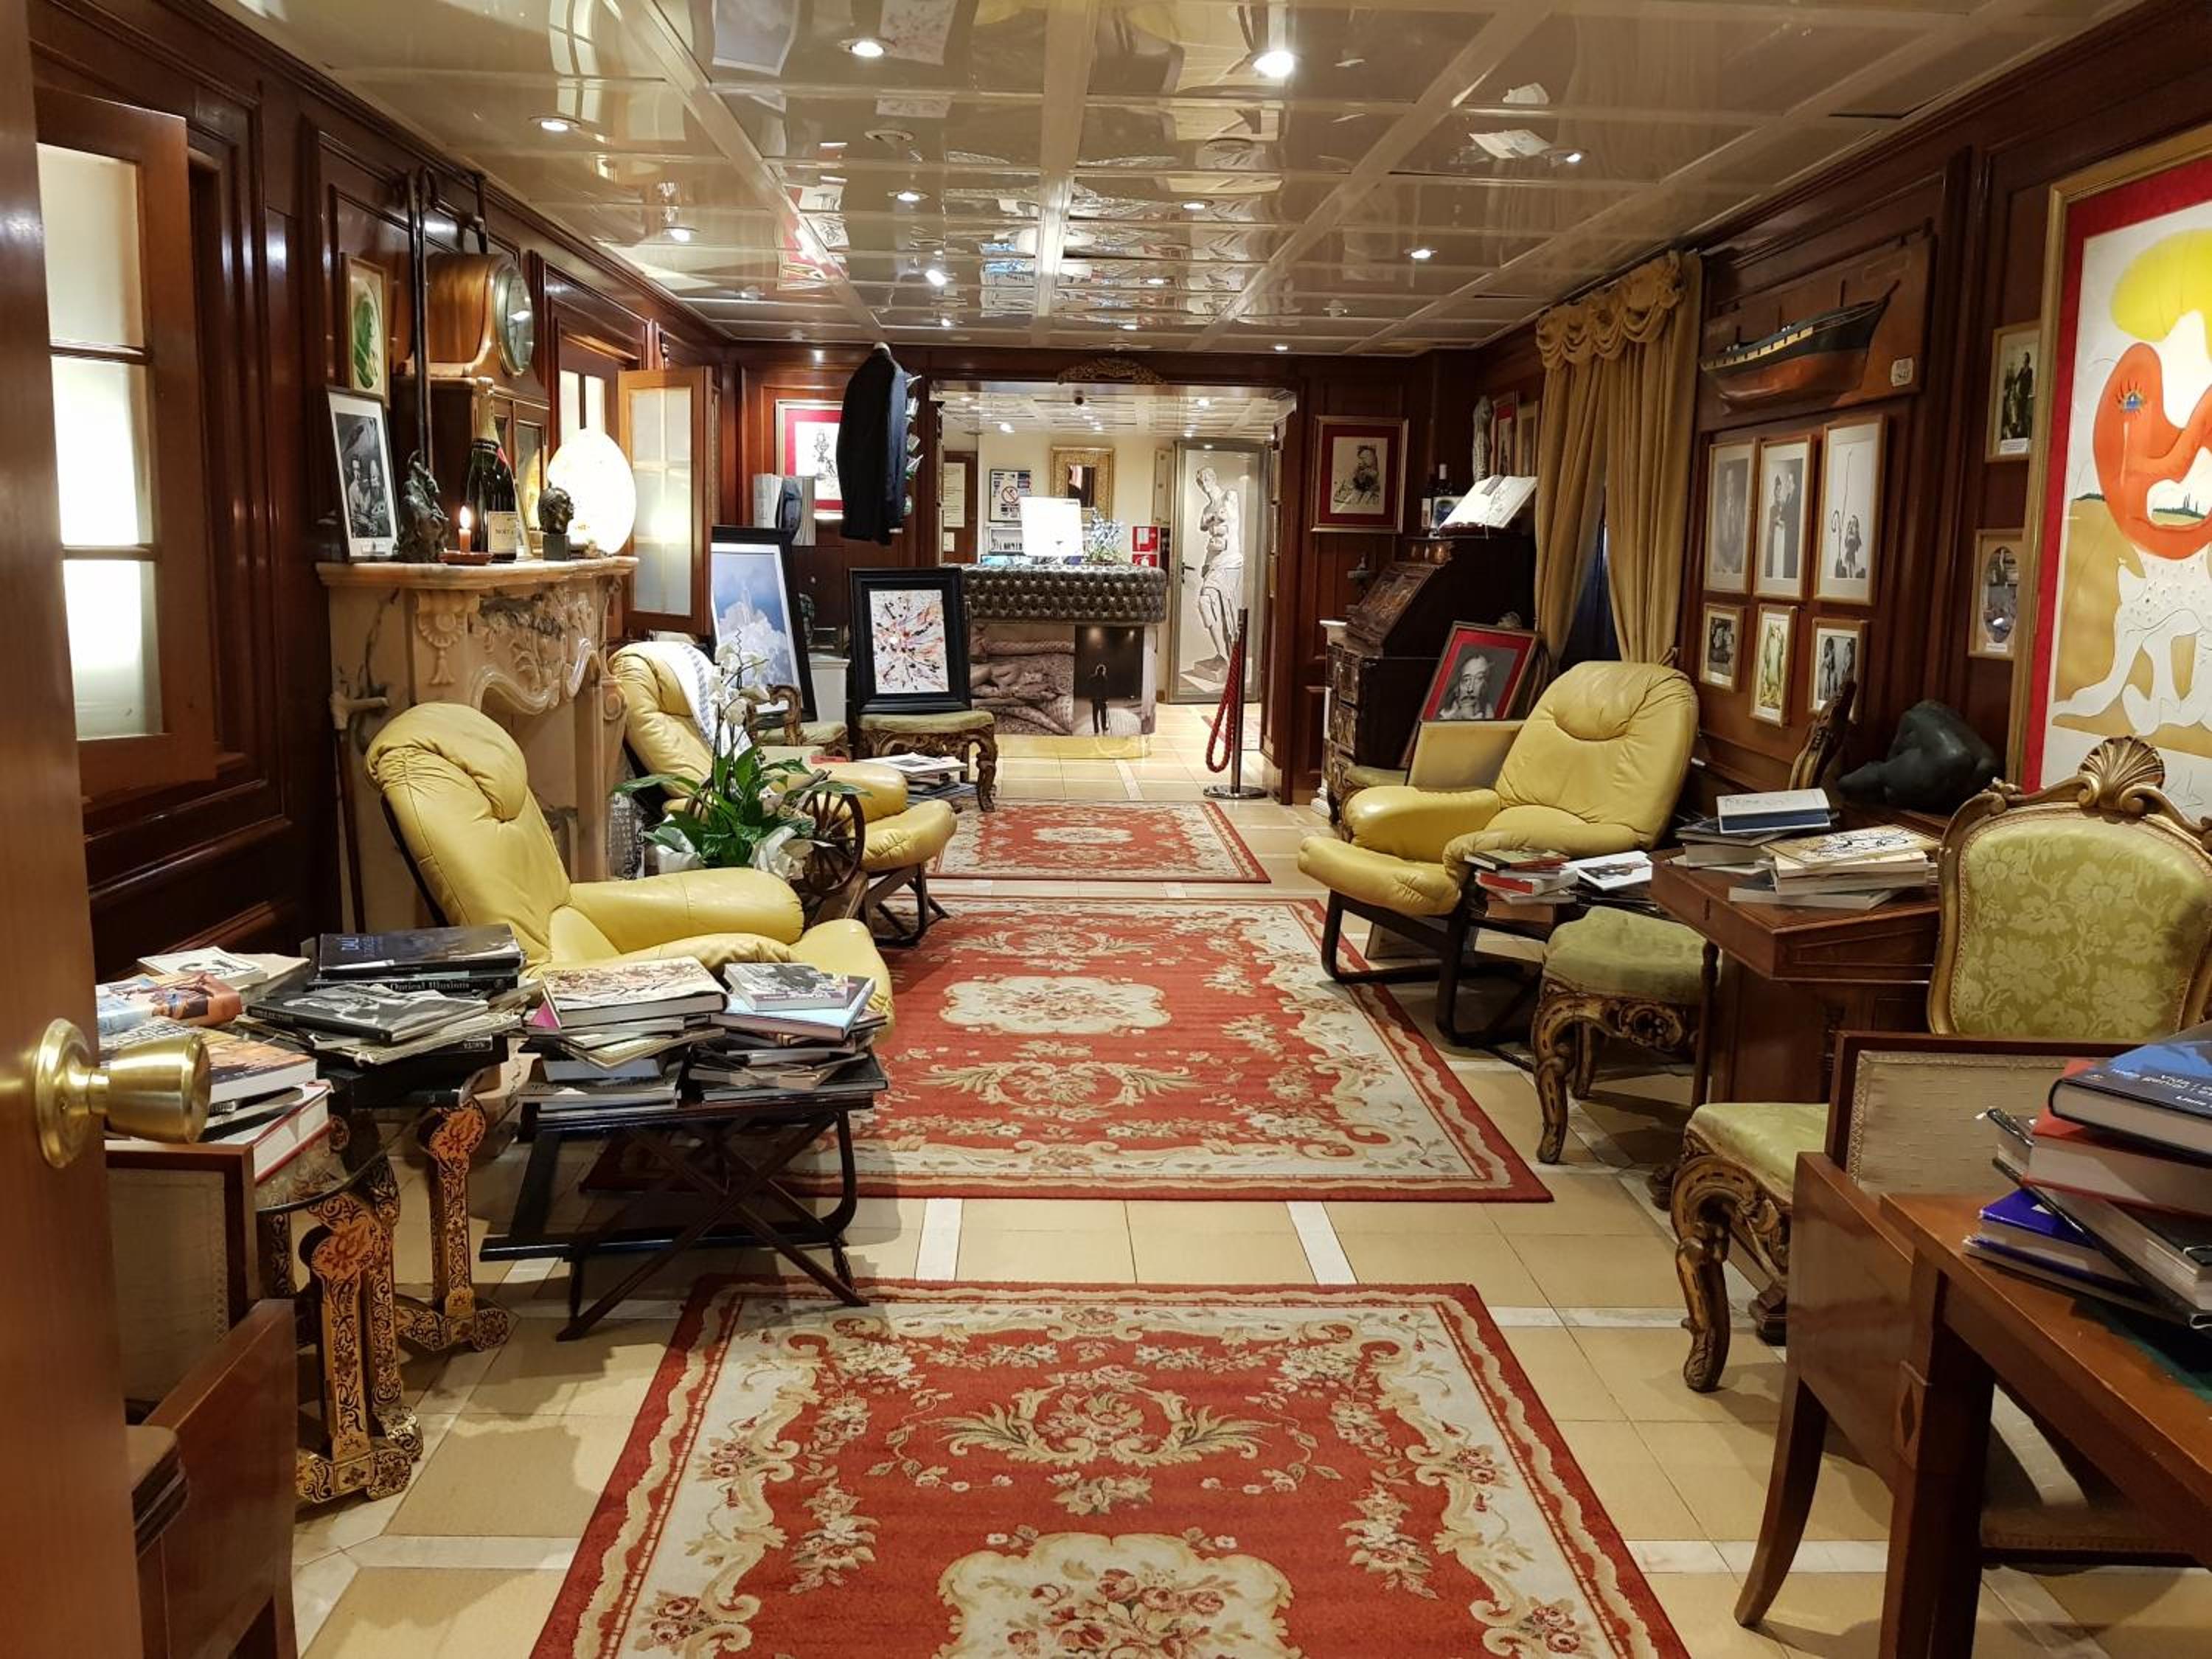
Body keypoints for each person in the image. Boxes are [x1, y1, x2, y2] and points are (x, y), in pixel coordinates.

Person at [1186, 465, 1243, 680]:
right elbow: (1206, 529)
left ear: (1214, 478)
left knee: (1222, 607)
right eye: (1200, 482)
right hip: (1213, 562)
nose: (1204, 485)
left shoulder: (1229, 496)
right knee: (1207, 604)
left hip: (1229, 561)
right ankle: (1222, 653)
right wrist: (1206, 563)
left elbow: (1230, 523)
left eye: (1207, 479)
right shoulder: (1207, 509)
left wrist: (1216, 523)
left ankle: (1231, 655)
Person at [1436, 650, 1500, 720]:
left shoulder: (1491, 717)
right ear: (1456, 687)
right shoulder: (1444, 717)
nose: (1470, 689)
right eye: (1466, 680)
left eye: (1479, 678)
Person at [1088, 661, 1111, 734]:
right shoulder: (1104, 678)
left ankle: (1096, 730)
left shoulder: (1092, 678)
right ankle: (1104, 727)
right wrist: (1106, 698)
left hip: (1095, 699)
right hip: (1102, 699)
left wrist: (1091, 697)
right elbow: (1105, 690)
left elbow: (1090, 689)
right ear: (1103, 671)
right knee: (1103, 714)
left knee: (1095, 715)